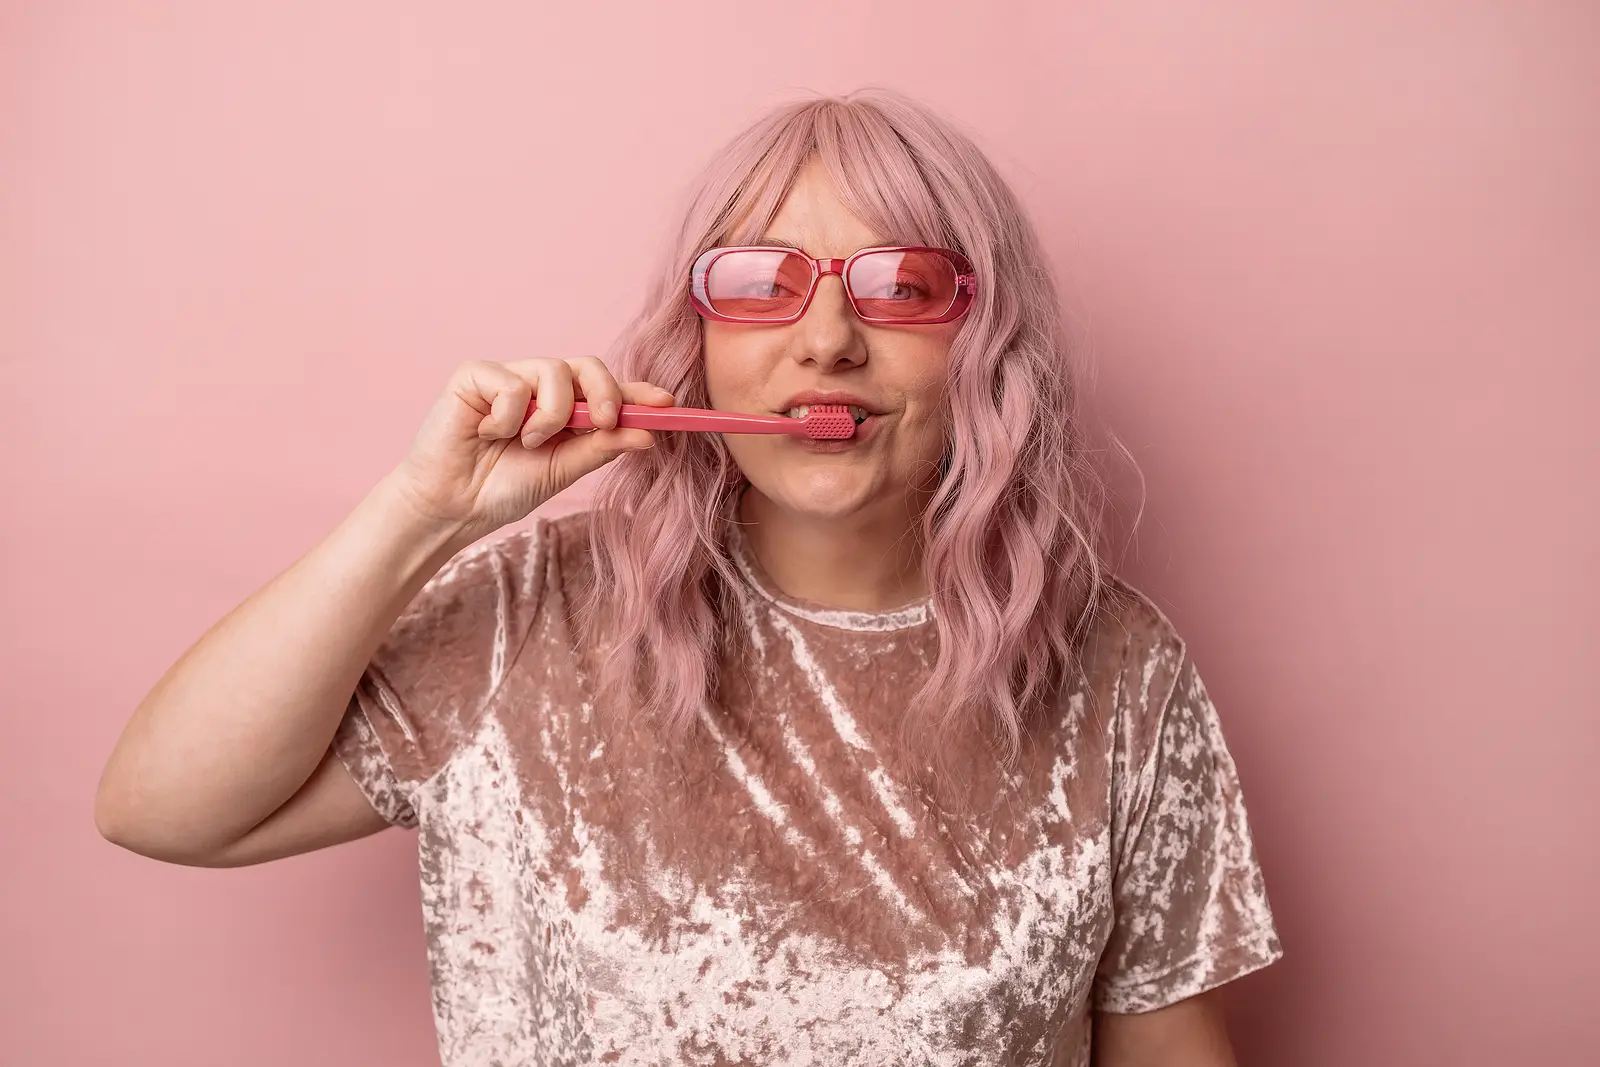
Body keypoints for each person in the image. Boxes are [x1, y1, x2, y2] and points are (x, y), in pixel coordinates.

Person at [96, 89, 1282, 1066]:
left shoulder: (1116, 667)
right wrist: (423, 514)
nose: (827, 338)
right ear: (700, 334)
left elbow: (1169, 1048)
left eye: (901, 286)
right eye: (762, 282)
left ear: (983, 339)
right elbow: (160, 807)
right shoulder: (534, 612)